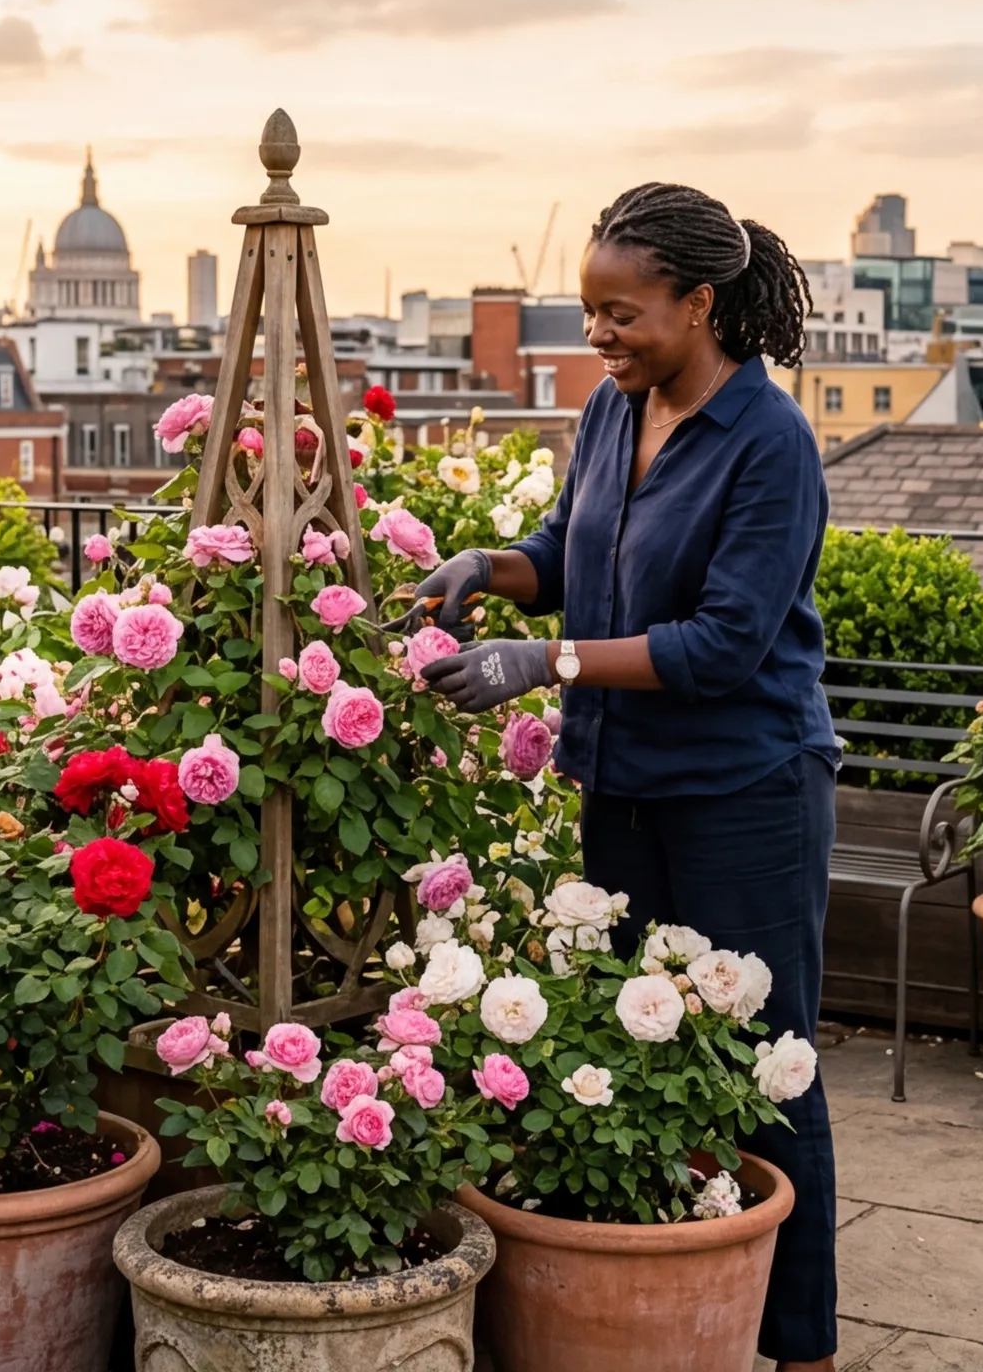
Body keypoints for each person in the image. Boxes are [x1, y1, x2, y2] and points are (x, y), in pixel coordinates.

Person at [400, 182, 839, 1371]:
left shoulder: (771, 443)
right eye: (588, 311)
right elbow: (568, 551)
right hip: (626, 782)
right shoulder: (611, 412)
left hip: (745, 793)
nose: (597, 335)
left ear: (699, 305)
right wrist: (486, 568)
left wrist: (542, 661)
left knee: (765, 1063)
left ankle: (802, 1347)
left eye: (620, 314)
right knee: (643, 1048)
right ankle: (678, 1303)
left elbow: (723, 643)